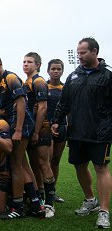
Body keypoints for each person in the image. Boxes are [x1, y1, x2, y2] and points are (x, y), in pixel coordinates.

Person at [51, 37, 112, 229]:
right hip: (76, 131)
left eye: (83, 52)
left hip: (100, 131)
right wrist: (56, 121)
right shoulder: (73, 76)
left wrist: (107, 127)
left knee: (101, 168)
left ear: (94, 51)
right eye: (77, 53)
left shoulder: (107, 75)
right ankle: (90, 199)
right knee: (79, 166)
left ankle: (104, 211)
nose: (79, 56)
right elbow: (64, 102)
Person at [0, 53, 44, 219]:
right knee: (23, 165)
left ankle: (17, 206)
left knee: (16, 165)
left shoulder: (10, 78)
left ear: (0, 64)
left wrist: (17, 130)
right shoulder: (2, 82)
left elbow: (21, 103)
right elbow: (8, 108)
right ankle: (37, 205)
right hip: (18, 125)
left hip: (21, 126)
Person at [23, 52, 56, 218]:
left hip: (40, 129)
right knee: (34, 165)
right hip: (29, 130)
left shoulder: (39, 81)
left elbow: (43, 108)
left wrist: (36, 131)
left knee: (44, 163)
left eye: (29, 62)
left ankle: (50, 203)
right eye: (24, 61)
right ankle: (40, 199)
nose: (25, 64)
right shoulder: (26, 82)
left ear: (37, 65)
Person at [46, 59, 66, 203]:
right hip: (46, 127)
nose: (56, 71)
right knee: (48, 159)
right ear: (48, 71)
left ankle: (52, 192)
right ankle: (44, 191)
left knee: (56, 161)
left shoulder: (66, 88)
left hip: (62, 127)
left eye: (59, 69)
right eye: (53, 69)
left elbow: (70, 109)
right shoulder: (43, 86)